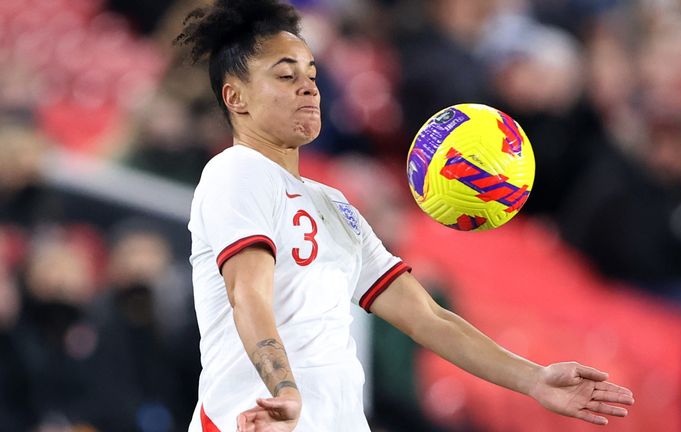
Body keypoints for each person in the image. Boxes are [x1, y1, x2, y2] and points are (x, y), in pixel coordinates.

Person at [175, 1, 635, 431]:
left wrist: (533, 379)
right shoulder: (235, 172)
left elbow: (428, 317)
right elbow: (247, 295)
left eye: (312, 73)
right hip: (259, 420)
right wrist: (285, 388)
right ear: (236, 98)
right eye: (285, 75)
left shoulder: (333, 205)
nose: (309, 86)